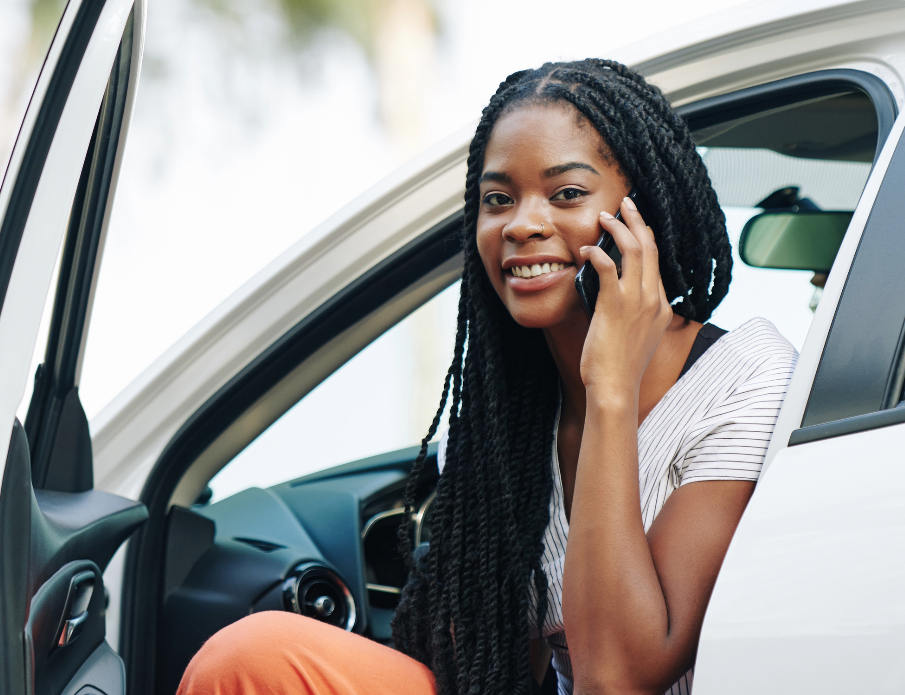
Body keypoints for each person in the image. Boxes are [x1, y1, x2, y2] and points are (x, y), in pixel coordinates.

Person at [177, 58, 797, 695]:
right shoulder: (503, 425)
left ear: (644, 215)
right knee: (251, 658)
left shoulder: (745, 382)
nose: (523, 224)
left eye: (567, 195)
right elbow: (496, 672)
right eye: (498, 200)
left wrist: (609, 389)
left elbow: (616, 681)